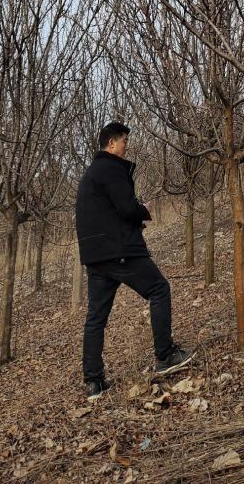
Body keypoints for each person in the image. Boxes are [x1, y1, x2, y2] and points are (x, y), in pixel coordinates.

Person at [75, 120, 194, 399]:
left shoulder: (90, 175)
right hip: (120, 252)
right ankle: (165, 356)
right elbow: (127, 208)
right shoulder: (111, 168)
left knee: (96, 319)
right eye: (124, 141)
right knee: (159, 289)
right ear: (112, 143)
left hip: (96, 258)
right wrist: (144, 210)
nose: (127, 147)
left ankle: (94, 382)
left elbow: (106, 215)